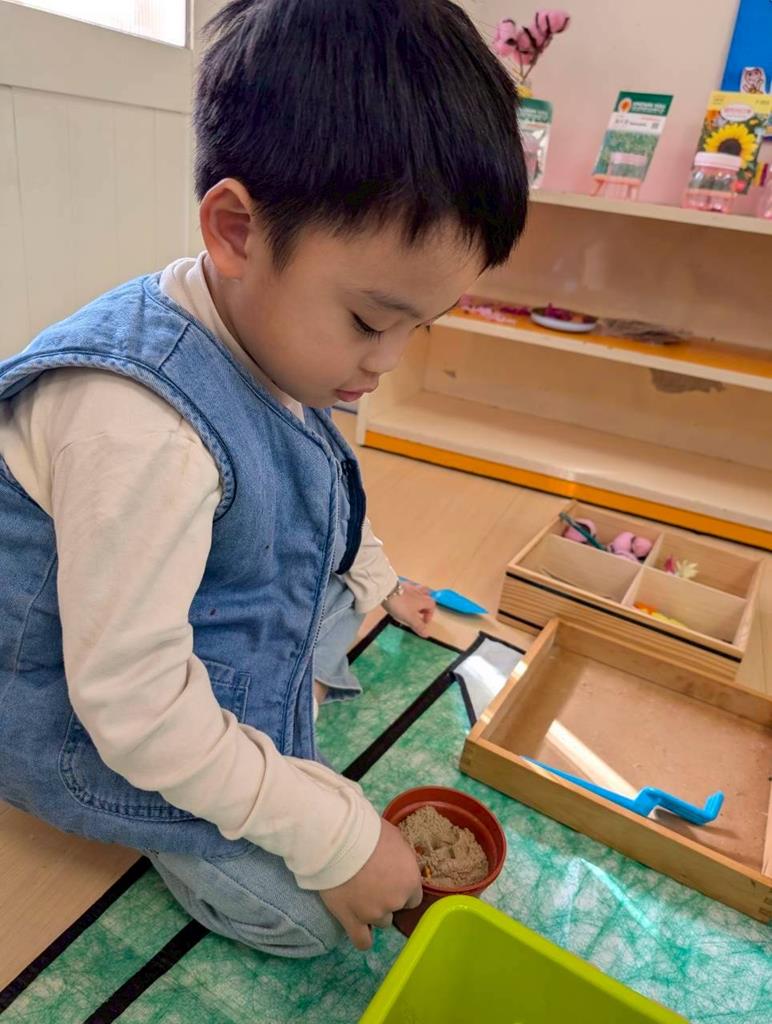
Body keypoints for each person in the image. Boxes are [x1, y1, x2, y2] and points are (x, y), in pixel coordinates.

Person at [0, 0, 527, 957]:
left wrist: (379, 580)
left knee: (329, 590)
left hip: (162, 611)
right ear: (237, 230)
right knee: (306, 922)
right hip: (79, 712)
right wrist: (334, 834)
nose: (386, 363)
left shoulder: (269, 325)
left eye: (418, 327)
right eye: (371, 322)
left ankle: (248, 746)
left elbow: (314, 480)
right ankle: (190, 799)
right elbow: (130, 706)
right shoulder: (143, 431)